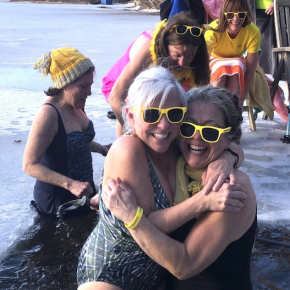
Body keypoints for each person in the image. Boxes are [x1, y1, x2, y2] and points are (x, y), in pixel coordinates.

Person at [77, 66, 247, 290]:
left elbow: (225, 141)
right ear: (130, 115)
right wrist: (203, 201)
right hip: (113, 273)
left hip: (158, 271)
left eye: (175, 114)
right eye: (151, 114)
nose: (164, 124)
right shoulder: (129, 150)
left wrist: (227, 157)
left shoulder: (173, 142)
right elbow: (147, 223)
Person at [23, 47, 110, 220]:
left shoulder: (76, 103)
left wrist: (101, 148)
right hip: (58, 199)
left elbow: (74, 141)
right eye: (84, 86)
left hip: (82, 190)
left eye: (90, 85)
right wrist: (70, 184)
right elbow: (29, 165)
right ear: (65, 84)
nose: (89, 92)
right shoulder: (48, 114)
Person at [102, 11, 210, 136]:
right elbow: (116, 98)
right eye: (177, 55)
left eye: (189, 56)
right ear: (165, 45)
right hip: (124, 87)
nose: (182, 62)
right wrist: (134, 132)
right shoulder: (149, 47)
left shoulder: (199, 57)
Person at [204, 0, 261, 107]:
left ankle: (234, 107)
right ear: (223, 15)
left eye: (241, 14)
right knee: (224, 67)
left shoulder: (253, 31)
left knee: (237, 64)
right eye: (230, 15)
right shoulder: (213, 31)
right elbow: (204, 64)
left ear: (246, 15)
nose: (235, 19)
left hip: (237, 64)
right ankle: (214, 106)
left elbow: (251, 69)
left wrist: (242, 99)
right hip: (215, 60)